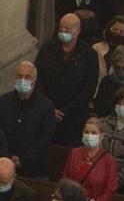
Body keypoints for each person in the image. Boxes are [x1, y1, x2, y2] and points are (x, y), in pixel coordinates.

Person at [41, 14, 102, 146]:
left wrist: (65, 111)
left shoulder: (89, 54)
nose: (63, 31)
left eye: (68, 28)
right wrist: (50, 108)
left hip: (74, 119)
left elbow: (89, 89)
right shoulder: (47, 49)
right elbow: (39, 80)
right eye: (61, 28)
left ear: (78, 31)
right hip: (46, 113)